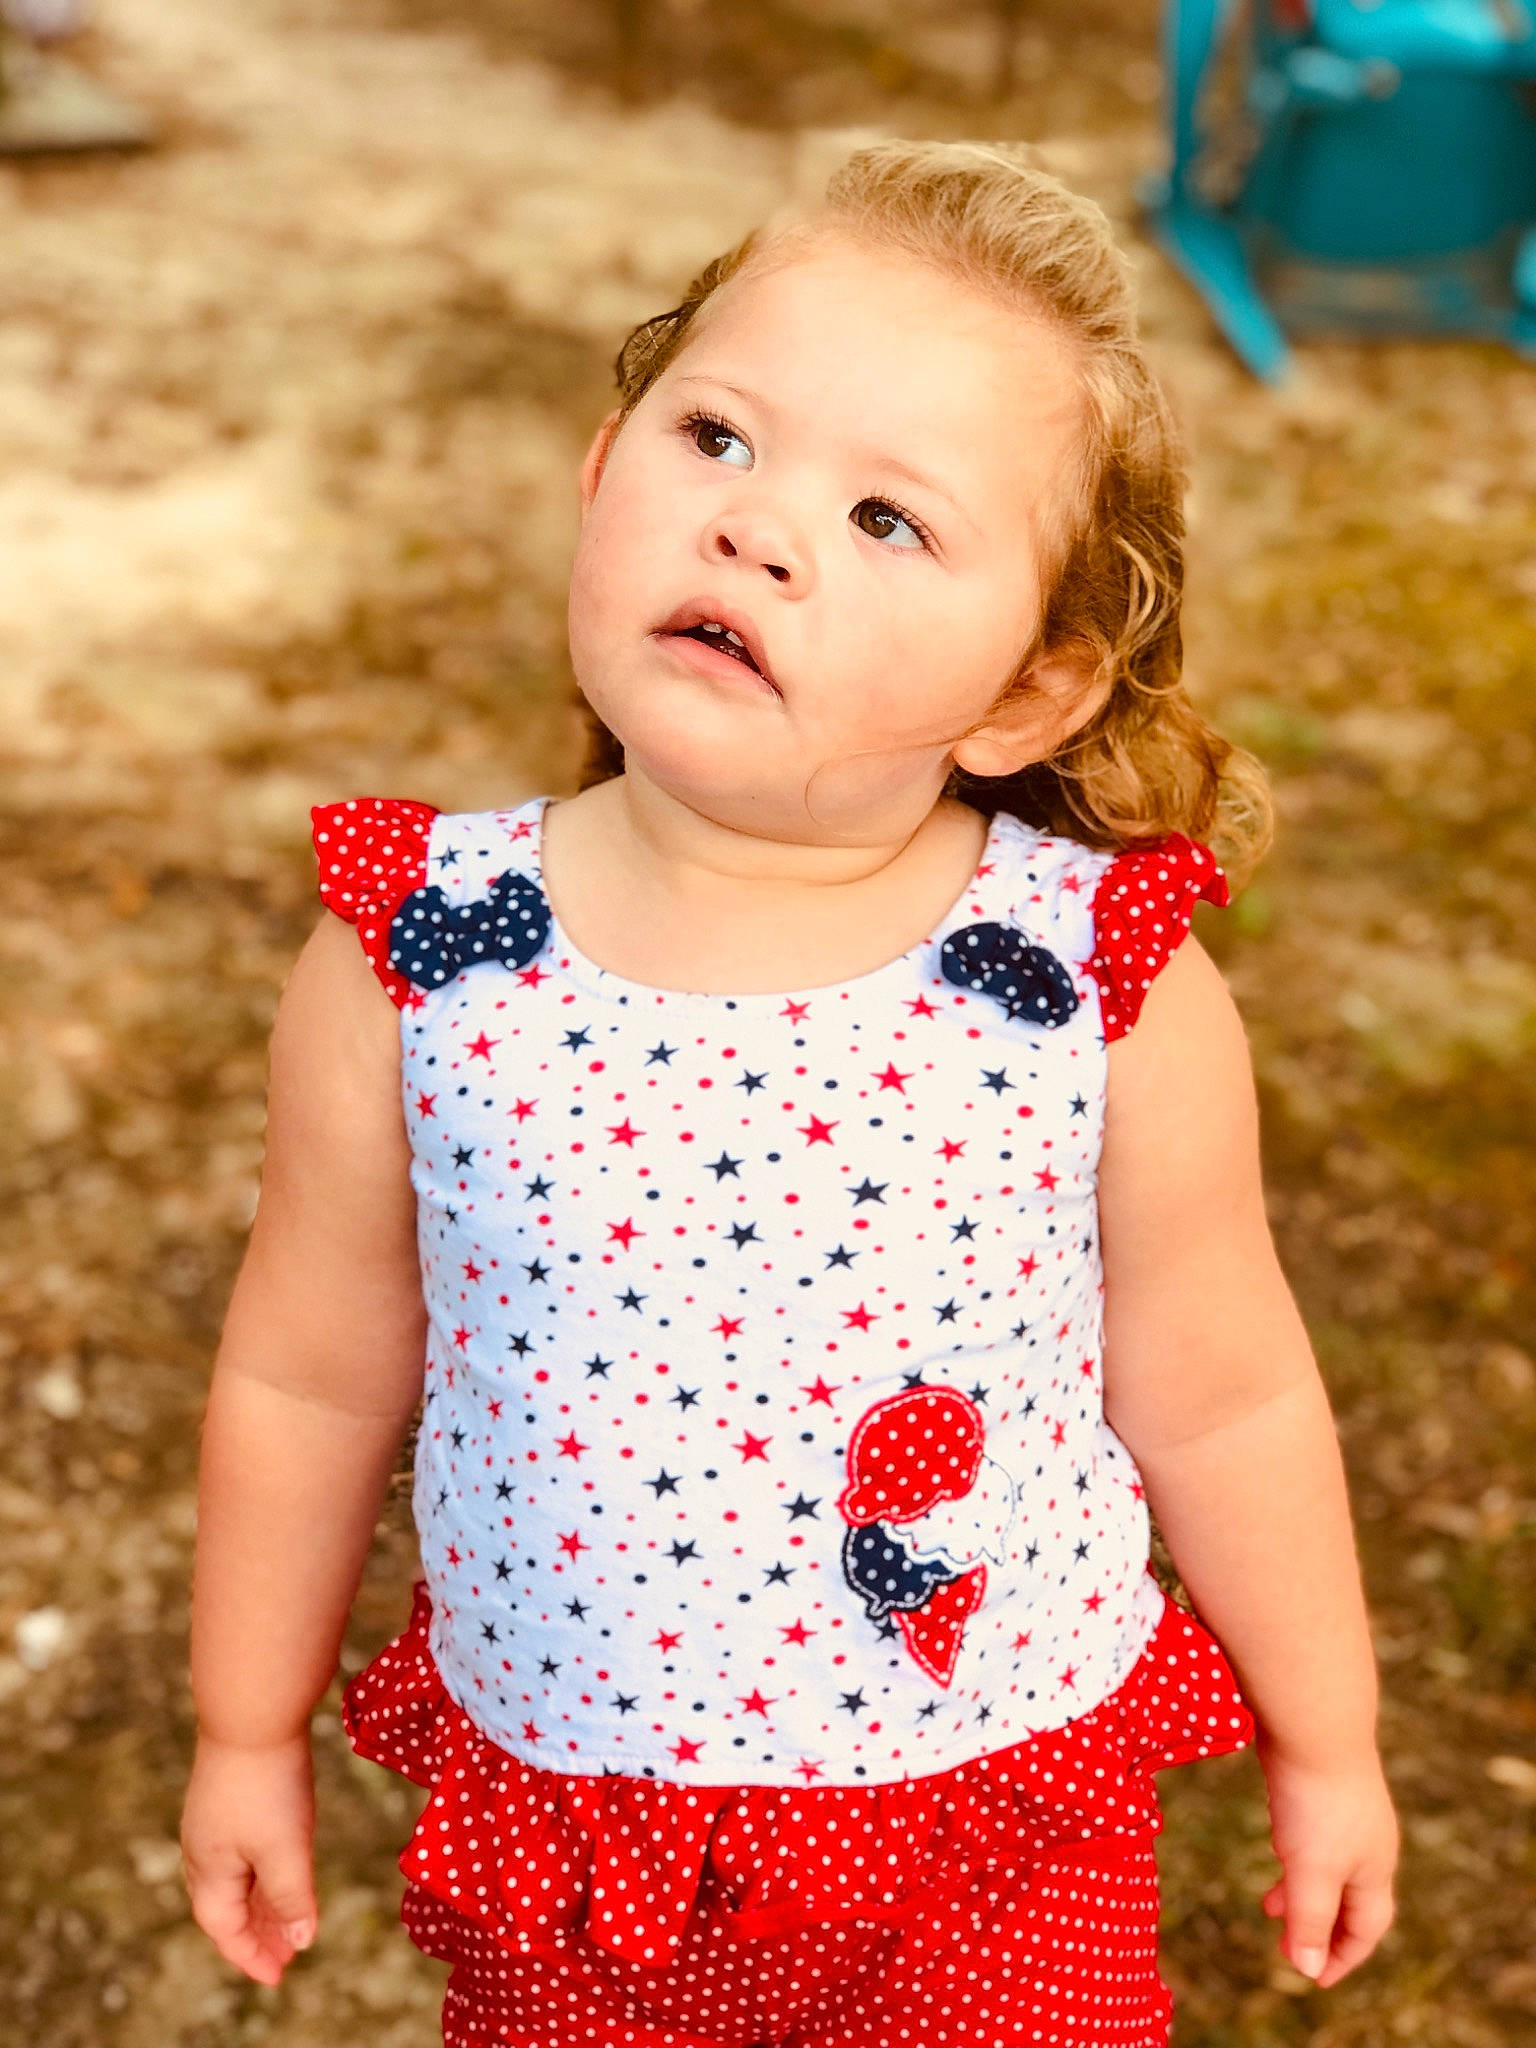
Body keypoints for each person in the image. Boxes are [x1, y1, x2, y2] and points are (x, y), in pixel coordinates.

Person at [179, 139, 1399, 2048]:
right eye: (718, 440)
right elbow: (309, 1371)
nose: (758, 531)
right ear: (601, 474)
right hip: (581, 1850)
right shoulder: (420, 964)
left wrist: (1331, 1739)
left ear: (1029, 694)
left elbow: (1225, 1387)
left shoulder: (1095, 996)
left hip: (997, 1837)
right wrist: (241, 1728)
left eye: (891, 520)